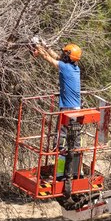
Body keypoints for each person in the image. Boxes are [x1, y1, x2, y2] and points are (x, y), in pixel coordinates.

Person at [32, 40, 82, 182]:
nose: (63, 55)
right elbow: (57, 57)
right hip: (76, 110)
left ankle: (60, 174)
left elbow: (49, 59)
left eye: (66, 53)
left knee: (60, 142)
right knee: (75, 143)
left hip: (67, 111)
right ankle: (74, 173)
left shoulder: (65, 68)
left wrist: (37, 46)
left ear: (70, 57)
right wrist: (45, 45)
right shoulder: (74, 68)